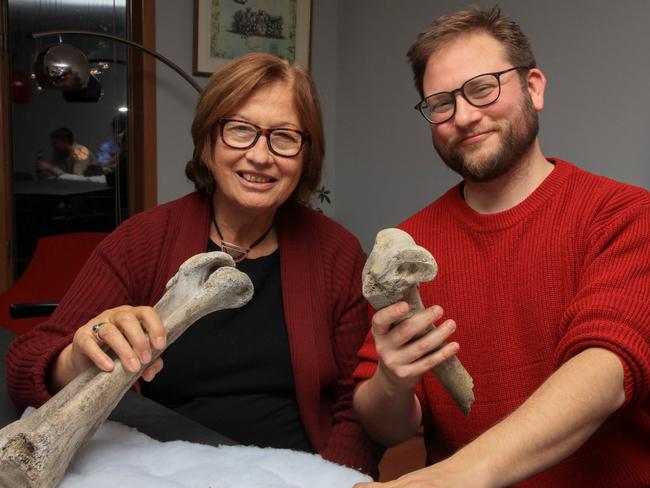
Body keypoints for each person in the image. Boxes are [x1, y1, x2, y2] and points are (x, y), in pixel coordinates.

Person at [7, 53, 383, 477]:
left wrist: (328, 480)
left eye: (283, 136)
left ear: (305, 154)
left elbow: (358, 405)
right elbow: (24, 367)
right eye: (240, 130)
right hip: (164, 471)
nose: (261, 156)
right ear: (208, 142)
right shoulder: (143, 241)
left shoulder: (336, 252)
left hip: (295, 473)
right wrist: (76, 357)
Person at [352, 6, 649, 487]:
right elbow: (386, 424)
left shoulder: (624, 215)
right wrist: (392, 380)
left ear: (533, 88)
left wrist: (458, 476)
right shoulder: (409, 244)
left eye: (483, 87)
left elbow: (605, 369)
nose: (465, 116)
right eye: (442, 103)